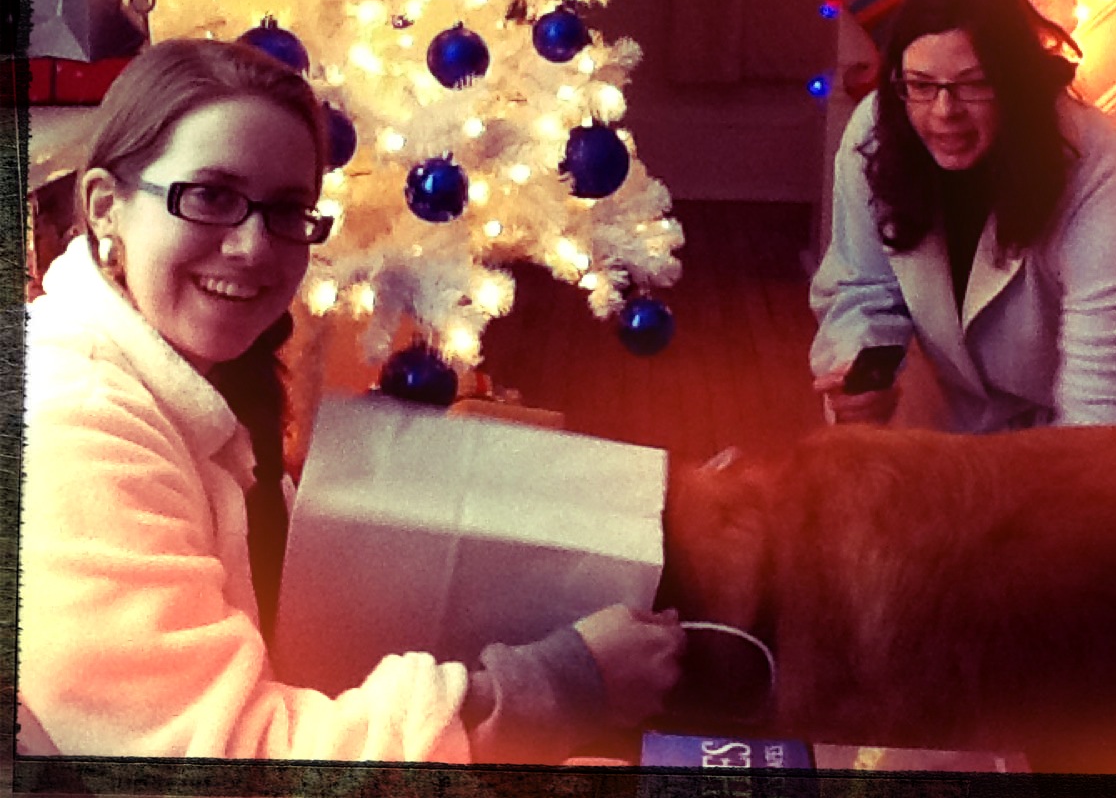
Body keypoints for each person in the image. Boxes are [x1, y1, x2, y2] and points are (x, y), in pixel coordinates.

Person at [19, 37, 683, 763]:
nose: (253, 247)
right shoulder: (72, 429)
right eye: (210, 196)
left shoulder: (179, 379)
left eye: (286, 210)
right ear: (106, 207)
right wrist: (560, 684)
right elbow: (231, 760)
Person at [810, 0, 1116, 434]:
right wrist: (859, 366)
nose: (944, 110)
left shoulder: (1104, 174)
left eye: (974, 84)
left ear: (1018, 82)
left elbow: (1099, 417)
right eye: (921, 85)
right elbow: (862, 283)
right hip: (978, 405)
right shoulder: (875, 134)